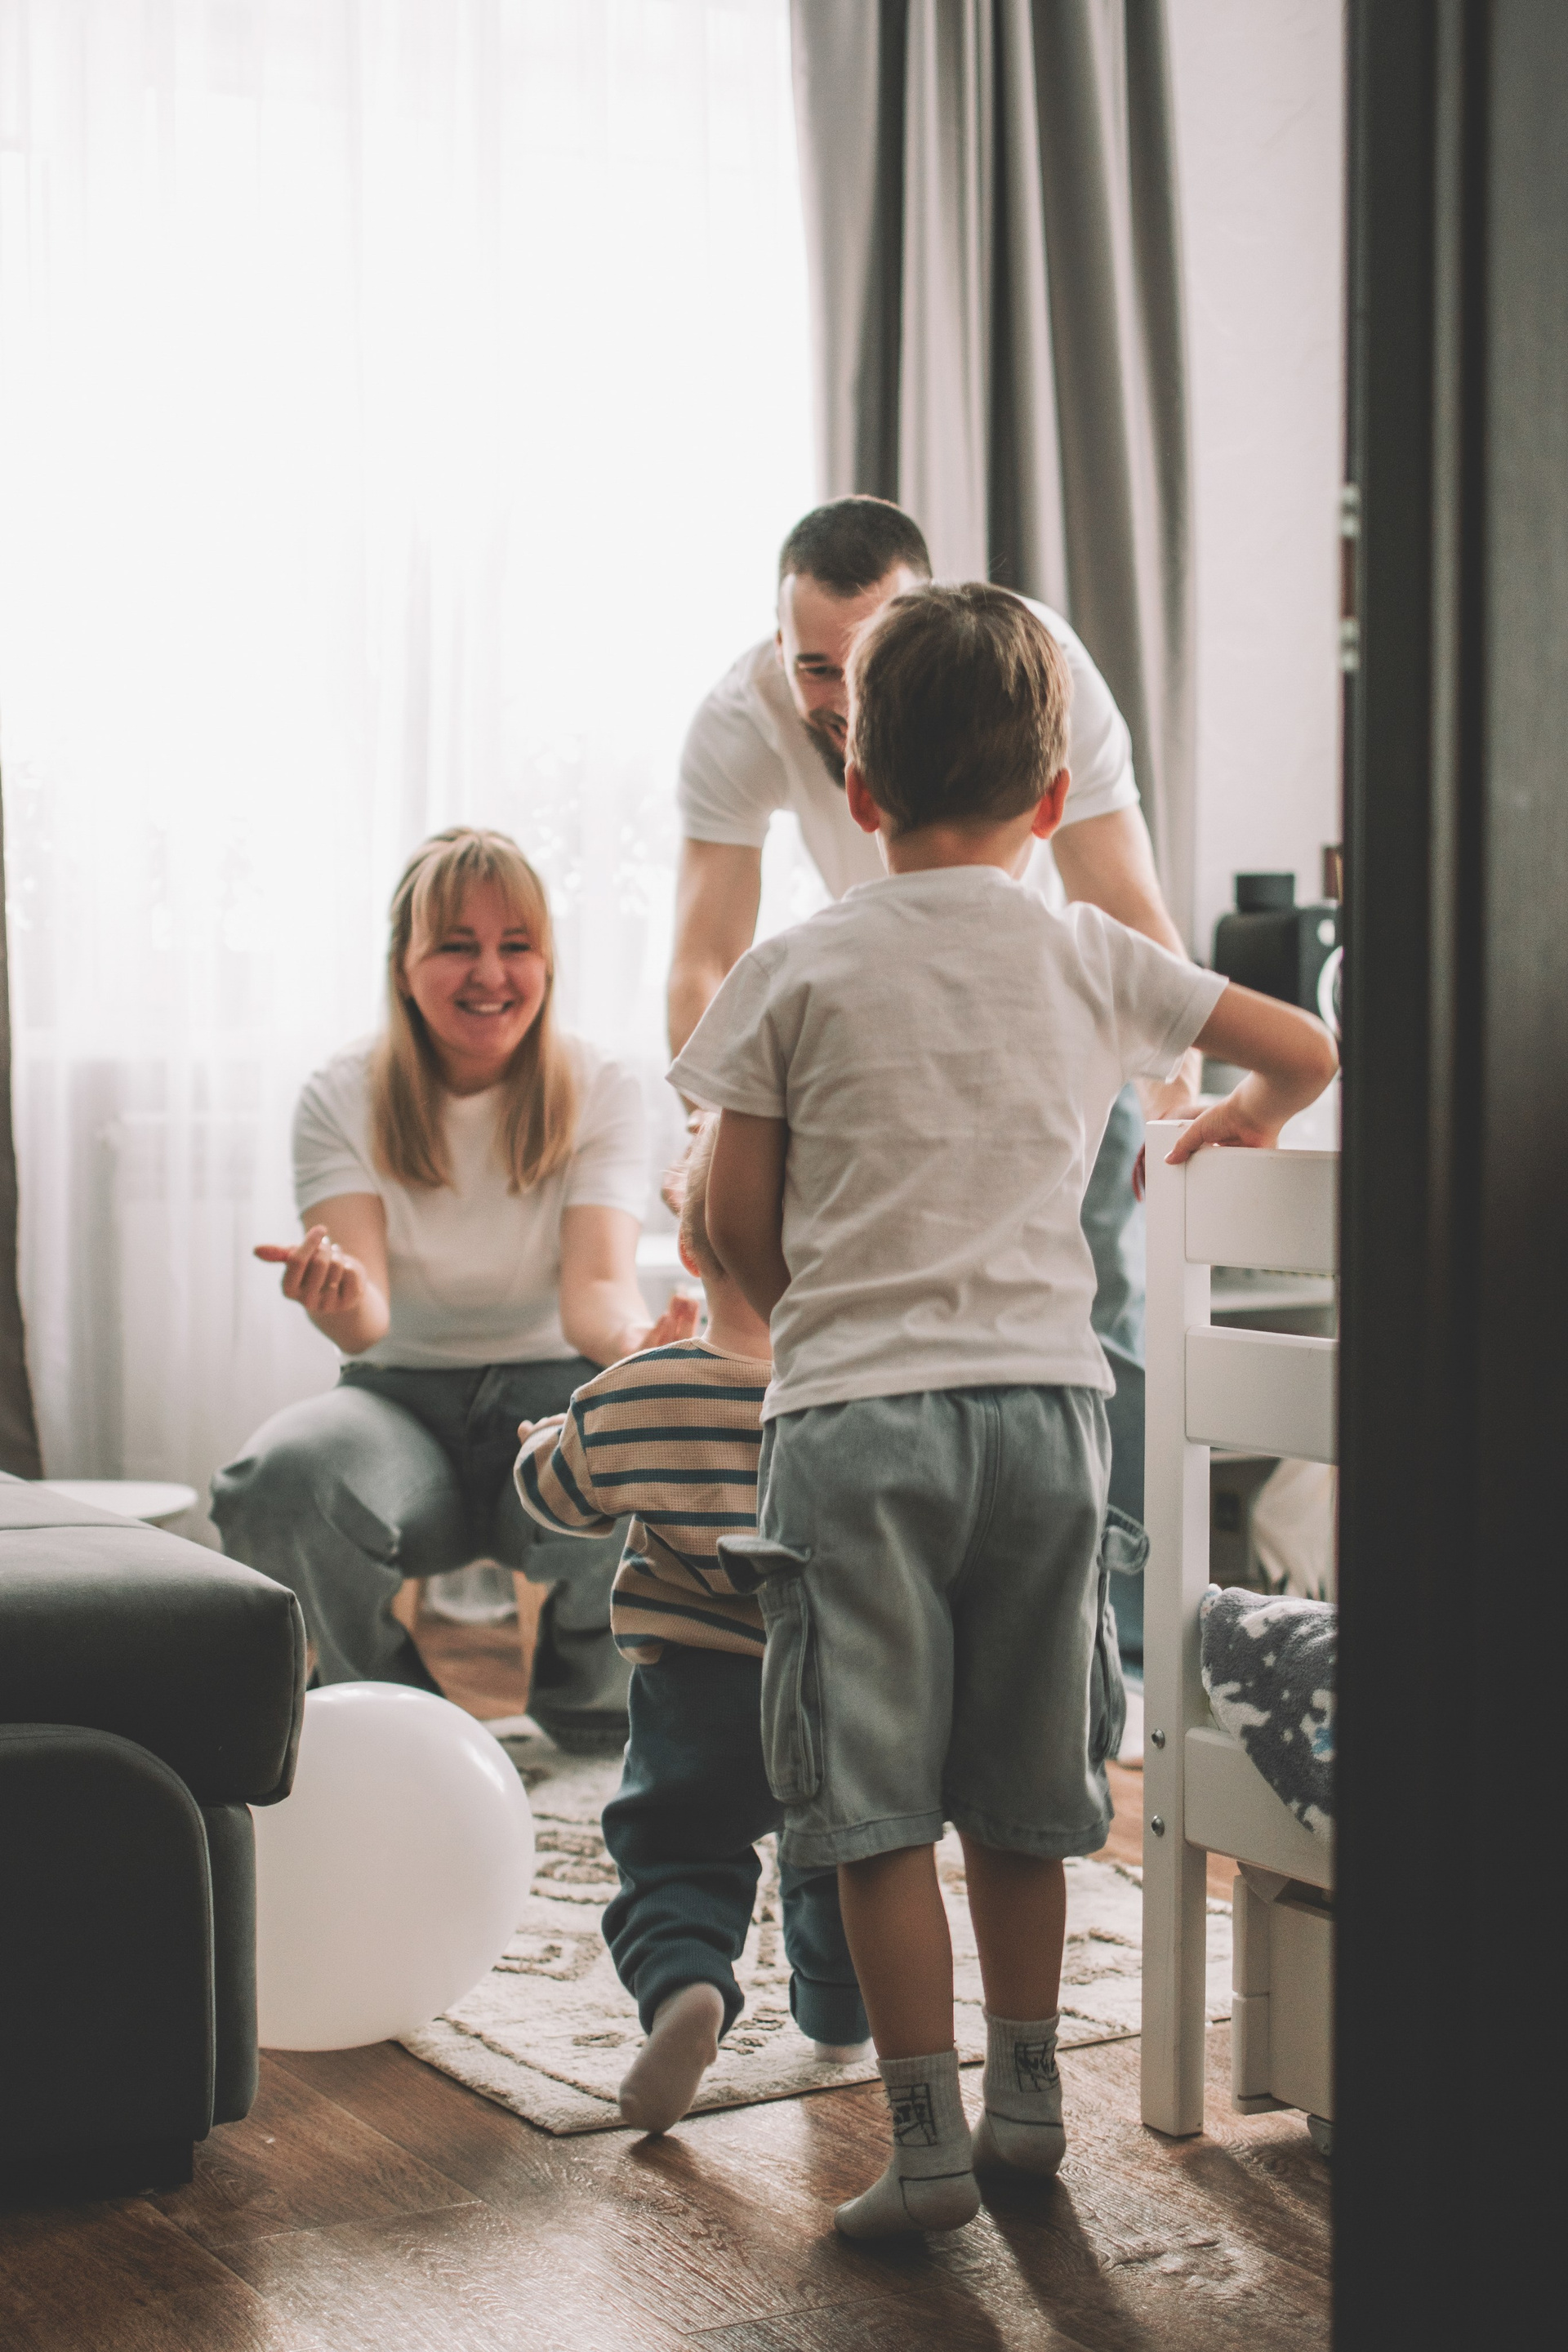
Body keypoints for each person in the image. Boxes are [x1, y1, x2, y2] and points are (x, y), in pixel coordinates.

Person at [670, 585, 1338, 2237]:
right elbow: (1303, 1046)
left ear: (859, 789)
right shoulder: (1090, 951)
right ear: (1051, 802)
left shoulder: (793, 966)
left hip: (855, 1429)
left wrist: (807, 1303)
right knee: (1030, 1785)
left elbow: (728, 1222)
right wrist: (1238, 1120)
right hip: (1048, 1420)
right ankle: (1031, 2096)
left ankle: (925, 2139)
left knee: (875, 1801)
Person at [669, 496, 1198, 1655]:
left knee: (1094, 1312)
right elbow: (706, 955)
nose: (847, 697)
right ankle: (887, 1609)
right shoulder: (738, 719)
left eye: (869, 659)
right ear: (776, 648)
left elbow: (1125, 903)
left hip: (1045, 1022)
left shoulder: (1042, 673)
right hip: (875, 1028)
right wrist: (711, 1128)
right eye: (816, 667)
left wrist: (1174, 1101)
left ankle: (1104, 1633)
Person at [212, 827, 694, 1750]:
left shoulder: (602, 1086)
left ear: (547, 964)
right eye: (457, 946)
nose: (490, 974)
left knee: (650, 1454)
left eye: (517, 945)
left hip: (553, 1398)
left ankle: (594, 1718)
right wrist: (336, 1295)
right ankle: (393, 1724)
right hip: (396, 1406)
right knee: (273, 1486)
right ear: (403, 965)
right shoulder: (339, 1092)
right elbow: (367, 1322)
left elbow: (595, 1293)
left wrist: (641, 1352)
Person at [513, 1116, 868, 2133]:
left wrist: (543, 1441)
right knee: (843, 1853)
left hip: (694, 1690)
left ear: (687, 1244)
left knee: (673, 1847)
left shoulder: (633, 1393)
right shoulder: (859, 1404)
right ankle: (839, 2021)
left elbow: (558, 1498)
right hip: (838, 1680)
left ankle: (687, 1988)